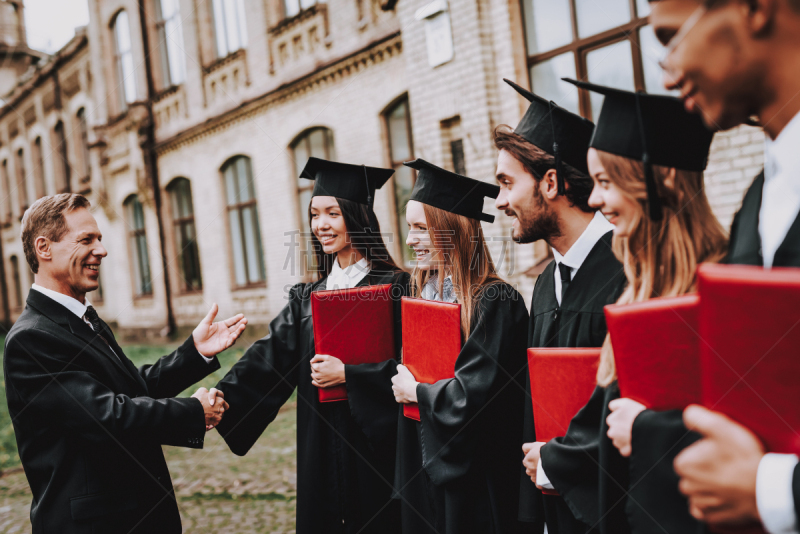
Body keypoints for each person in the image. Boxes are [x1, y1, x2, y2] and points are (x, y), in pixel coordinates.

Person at [4, 193, 247, 534]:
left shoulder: (84, 318)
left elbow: (131, 388)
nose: (101, 250)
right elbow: (107, 417)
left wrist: (194, 352)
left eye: (100, 239)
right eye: (86, 239)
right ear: (44, 248)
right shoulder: (31, 339)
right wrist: (193, 411)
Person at [647, 1, 800, 530]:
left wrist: (777, 490)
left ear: (754, 9)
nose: (667, 75)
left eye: (670, 36)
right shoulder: (760, 199)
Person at [213, 158, 408, 534]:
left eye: (333, 213)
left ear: (359, 216)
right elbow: (268, 358)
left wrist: (349, 376)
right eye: (315, 214)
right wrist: (217, 401)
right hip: (321, 443)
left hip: (376, 449)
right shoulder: (308, 296)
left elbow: (411, 367)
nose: (321, 225)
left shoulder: (396, 287)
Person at [494, 79, 626, 534]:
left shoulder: (628, 272)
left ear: (551, 182)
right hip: (556, 510)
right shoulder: (548, 281)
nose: (500, 201)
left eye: (507, 183)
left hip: (614, 509)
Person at [390, 158, 528, 534]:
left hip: (477, 481)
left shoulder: (496, 301)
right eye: (409, 228)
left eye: (421, 228)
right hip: (424, 474)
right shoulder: (422, 297)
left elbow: (476, 397)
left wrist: (415, 391)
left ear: (453, 230)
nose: (409, 240)